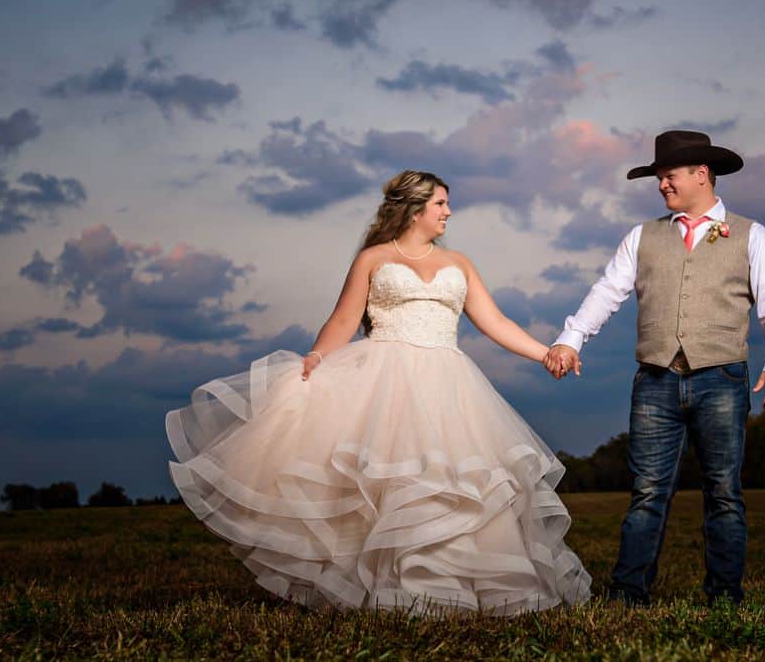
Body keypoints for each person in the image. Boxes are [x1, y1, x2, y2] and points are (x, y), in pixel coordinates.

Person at [165, 170, 591, 615]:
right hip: (383, 377)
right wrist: (317, 357)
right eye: (441, 203)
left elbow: (495, 322)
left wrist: (547, 354)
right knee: (387, 478)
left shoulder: (459, 264)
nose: (449, 212)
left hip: (448, 383)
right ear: (414, 209)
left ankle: (456, 584)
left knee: (453, 479)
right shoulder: (373, 258)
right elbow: (344, 320)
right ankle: (385, 588)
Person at [543, 130, 765, 606]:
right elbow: (607, 292)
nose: (662, 184)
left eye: (670, 175)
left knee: (723, 491)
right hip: (655, 379)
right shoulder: (642, 237)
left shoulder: (751, 235)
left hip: (721, 377)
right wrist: (570, 339)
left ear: (702, 174)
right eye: (659, 177)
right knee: (647, 491)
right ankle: (628, 593)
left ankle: (724, 594)